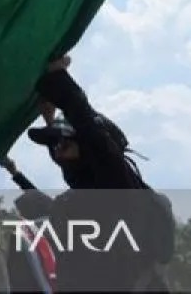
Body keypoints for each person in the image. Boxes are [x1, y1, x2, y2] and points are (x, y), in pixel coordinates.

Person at [11, 56, 173, 291]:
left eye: (64, 144)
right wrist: (50, 121)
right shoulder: (85, 195)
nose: (58, 151)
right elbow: (72, 164)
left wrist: (59, 79)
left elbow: (92, 134)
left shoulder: (119, 185)